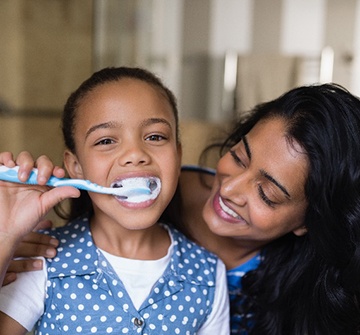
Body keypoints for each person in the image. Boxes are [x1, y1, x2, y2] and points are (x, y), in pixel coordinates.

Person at [4, 82, 360, 334]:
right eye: (237, 157)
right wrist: (7, 237)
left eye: (268, 193)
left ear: (310, 223)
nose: (230, 189)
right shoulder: (54, 258)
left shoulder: (211, 276)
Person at [0, 67, 230, 334]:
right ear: (75, 167)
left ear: (178, 156)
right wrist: (5, 235)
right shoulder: (42, 260)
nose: (134, 154)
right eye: (106, 140)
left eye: (155, 136)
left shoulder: (208, 276)